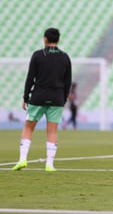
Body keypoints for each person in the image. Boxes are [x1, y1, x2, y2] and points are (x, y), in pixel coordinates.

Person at [12, 28, 72, 172]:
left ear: (45, 39)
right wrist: (62, 100)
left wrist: (26, 97)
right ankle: (49, 164)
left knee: (28, 128)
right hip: (56, 98)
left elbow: (30, 78)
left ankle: (22, 160)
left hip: (38, 96)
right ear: (58, 40)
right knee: (52, 131)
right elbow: (68, 81)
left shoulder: (38, 55)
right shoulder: (65, 57)